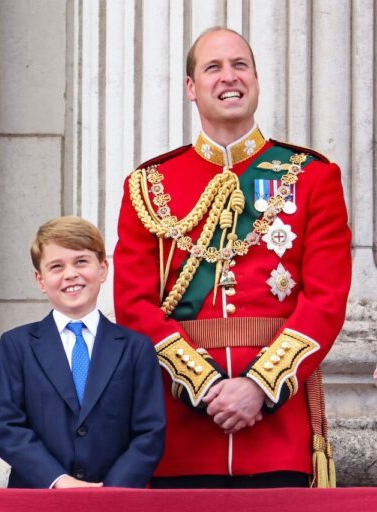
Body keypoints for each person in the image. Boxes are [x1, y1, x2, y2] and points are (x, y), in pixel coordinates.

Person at [114, 27, 351, 488]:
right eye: (213, 67)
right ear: (191, 87)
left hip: (276, 432)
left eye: (240, 65)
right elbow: (134, 305)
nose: (230, 77)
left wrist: (258, 387)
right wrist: (206, 388)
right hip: (180, 436)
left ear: (257, 80)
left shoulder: (312, 177)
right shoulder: (149, 185)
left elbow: (325, 300)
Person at [0, 216, 166, 489]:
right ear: (40, 279)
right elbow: (8, 426)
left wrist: (110, 492)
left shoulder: (136, 347)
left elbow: (149, 432)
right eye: (56, 266)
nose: (70, 274)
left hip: (113, 501)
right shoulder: (17, 345)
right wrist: (59, 481)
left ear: (103, 269)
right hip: (38, 498)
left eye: (81, 261)